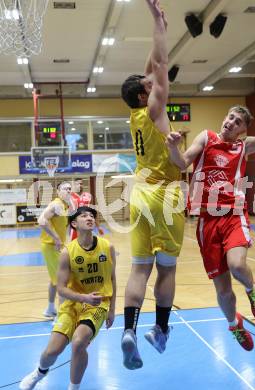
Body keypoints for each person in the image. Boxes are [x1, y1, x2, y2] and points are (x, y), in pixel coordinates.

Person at [167, 87, 255, 350]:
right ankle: (234, 324)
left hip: (232, 214)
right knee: (222, 289)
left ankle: (252, 290)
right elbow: (181, 163)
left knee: (236, 265)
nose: (230, 122)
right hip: (206, 221)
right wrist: (173, 147)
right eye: (230, 117)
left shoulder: (243, 146)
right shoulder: (207, 137)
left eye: (237, 121)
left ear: (243, 130)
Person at [120, 0, 185, 369]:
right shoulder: (155, 107)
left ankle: (130, 329)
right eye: (149, 85)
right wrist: (155, 19)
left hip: (139, 192)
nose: (154, 80)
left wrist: (158, 23)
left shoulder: (134, 112)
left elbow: (150, 67)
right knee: (168, 269)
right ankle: (160, 330)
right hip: (166, 193)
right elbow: (159, 65)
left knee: (138, 269)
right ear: (146, 95)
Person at [19, 206, 116, 390]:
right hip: (73, 304)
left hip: (97, 305)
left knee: (79, 342)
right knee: (51, 352)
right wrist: (83, 297)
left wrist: (111, 309)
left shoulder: (107, 247)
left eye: (92, 216)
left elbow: (112, 279)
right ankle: (39, 372)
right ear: (74, 223)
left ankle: (73, 388)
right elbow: (61, 289)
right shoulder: (67, 252)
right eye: (84, 215)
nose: (89, 218)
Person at [38, 182, 75, 318]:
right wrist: (56, 238)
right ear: (58, 191)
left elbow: (73, 214)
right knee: (62, 280)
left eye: (70, 189)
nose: (68, 191)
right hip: (51, 246)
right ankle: (61, 316)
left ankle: (49, 309)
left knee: (55, 279)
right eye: (65, 189)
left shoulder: (64, 205)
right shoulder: (56, 204)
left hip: (55, 246)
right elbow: (41, 221)